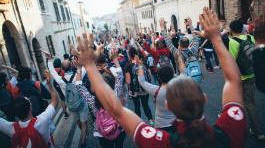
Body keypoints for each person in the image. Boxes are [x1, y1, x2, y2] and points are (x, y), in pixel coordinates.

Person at [70, 10, 247, 148]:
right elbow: (234, 80)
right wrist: (216, 38)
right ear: (204, 99)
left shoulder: (160, 142)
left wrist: (90, 66)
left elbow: (116, 110)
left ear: (169, 105)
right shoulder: (230, 131)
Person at [75, 48, 126, 148]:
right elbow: (120, 77)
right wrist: (115, 60)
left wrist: (78, 69)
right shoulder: (115, 96)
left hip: (102, 132)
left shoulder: (93, 102)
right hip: (119, 127)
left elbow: (79, 86)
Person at [223, 19, 264, 139]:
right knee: (251, 103)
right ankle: (258, 132)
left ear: (231, 30)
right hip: (250, 75)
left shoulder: (229, 41)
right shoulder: (250, 38)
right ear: (243, 28)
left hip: (236, 78)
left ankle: (234, 131)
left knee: (233, 103)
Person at [0, 71, 59, 148]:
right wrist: (49, 85)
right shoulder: (42, 120)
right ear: (30, 108)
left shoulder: (11, 129)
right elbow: (55, 101)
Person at [46, 53, 89, 148]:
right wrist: (79, 63)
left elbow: (52, 71)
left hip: (70, 105)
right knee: (84, 121)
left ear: (62, 69)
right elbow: (86, 66)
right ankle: (83, 142)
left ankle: (83, 131)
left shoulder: (60, 80)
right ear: (71, 66)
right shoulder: (78, 76)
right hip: (81, 102)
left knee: (78, 120)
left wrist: (49, 58)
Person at [137, 56, 176, 130]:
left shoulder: (156, 90)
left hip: (161, 124)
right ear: (172, 75)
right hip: (176, 122)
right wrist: (179, 58)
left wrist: (140, 66)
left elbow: (141, 81)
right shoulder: (179, 87)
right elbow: (184, 73)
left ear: (159, 78)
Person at [125, 47, 154, 126]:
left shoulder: (128, 67)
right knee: (146, 105)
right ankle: (151, 121)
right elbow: (150, 77)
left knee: (137, 107)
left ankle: (139, 124)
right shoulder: (144, 64)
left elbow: (128, 81)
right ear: (137, 54)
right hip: (145, 89)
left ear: (130, 56)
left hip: (134, 91)